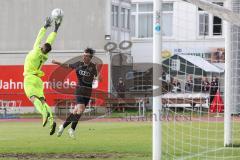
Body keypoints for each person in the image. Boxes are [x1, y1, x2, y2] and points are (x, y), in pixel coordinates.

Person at [23, 17, 62, 135]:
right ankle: (51, 121)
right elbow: (50, 41)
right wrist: (56, 29)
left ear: (42, 47)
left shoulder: (36, 51)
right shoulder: (44, 56)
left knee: (33, 99)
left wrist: (45, 26)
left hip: (29, 78)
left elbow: (39, 36)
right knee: (43, 101)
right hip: (38, 80)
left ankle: (44, 114)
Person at [52, 48, 99, 138]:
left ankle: (63, 126)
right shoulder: (78, 64)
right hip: (79, 90)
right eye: (84, 55)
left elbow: (97, 77)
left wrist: (96, 72)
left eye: (86, 55)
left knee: (76, 111)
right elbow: (67, 65)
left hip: (88, 92)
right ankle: (71, 129)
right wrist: (57, 62)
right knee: (80, 110)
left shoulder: (93, 66)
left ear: (90, 57)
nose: (84, 56)